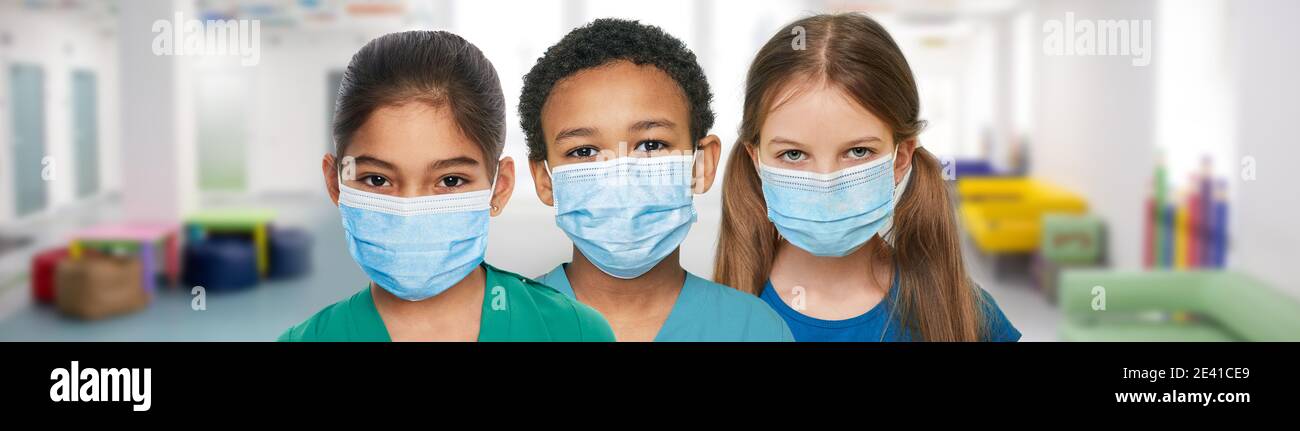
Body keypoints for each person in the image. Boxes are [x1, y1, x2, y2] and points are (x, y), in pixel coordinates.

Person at [280, 30, 613, 342]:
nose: (410, 211)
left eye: (450, 180)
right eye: (377, 179)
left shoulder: (574, 331)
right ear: (336, 183)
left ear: (499, 187)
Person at [713, 13, 1020, 342]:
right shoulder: (717, 319)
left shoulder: (964, 313)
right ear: (756, 159)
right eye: (793, 154)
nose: (827, 183)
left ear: (899, 158)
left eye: (858, 152)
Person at [518, 19, 792, 342]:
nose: (620, 178)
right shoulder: (504, 325)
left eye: (651, 145)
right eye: (584, 151)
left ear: (700, 165)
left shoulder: (754, 329)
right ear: (544, 179)